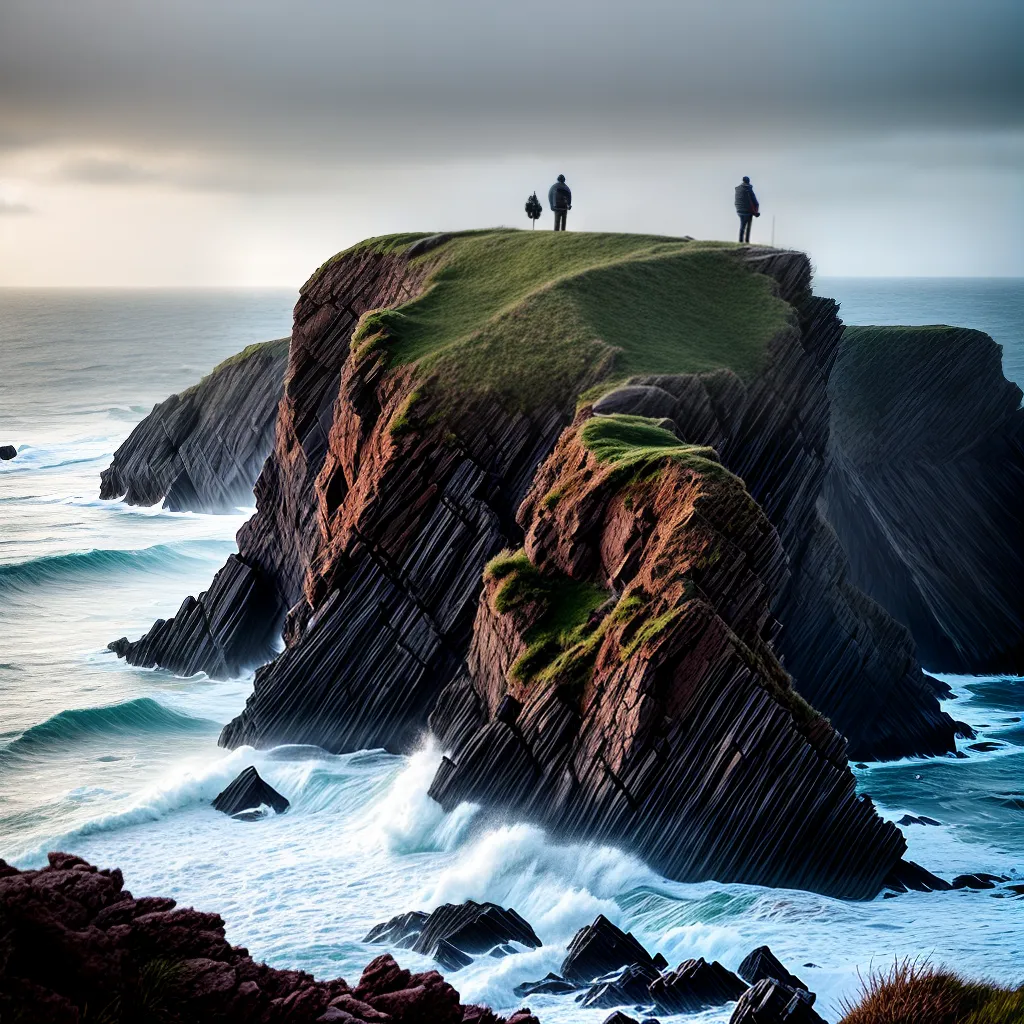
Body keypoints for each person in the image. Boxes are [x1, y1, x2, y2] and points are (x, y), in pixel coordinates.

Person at [734, 176, 759, 243]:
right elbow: (754, 201)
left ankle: (741, 241)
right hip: (748, 211)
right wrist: (755, 212)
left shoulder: (738, 189)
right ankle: (746, 241)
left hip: (739, 210)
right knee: (747, 227)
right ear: (748, 181)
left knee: (742, 226)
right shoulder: (748, 189)